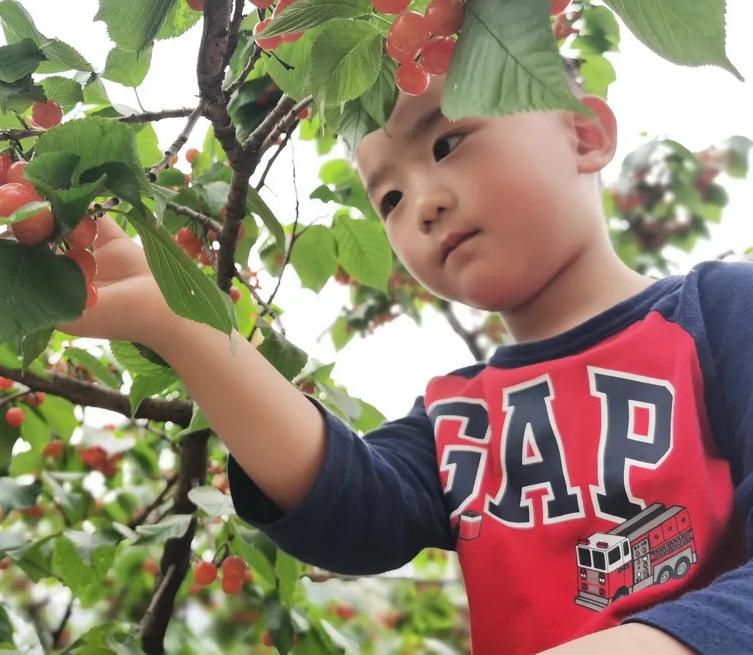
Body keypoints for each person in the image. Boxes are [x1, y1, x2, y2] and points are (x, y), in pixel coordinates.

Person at [59, 72, 753, 654]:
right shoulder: (458, 419)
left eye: (448, 142)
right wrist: (186, 326)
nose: (421, 204)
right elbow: (349, 506)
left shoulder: (723, 312)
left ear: (584, 133)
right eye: (388, 198)